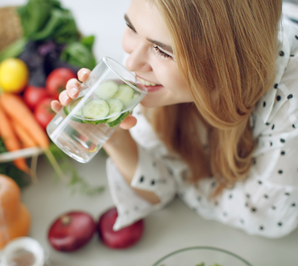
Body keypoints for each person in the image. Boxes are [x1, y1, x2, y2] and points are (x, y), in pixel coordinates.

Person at [51, 0, 298, 238]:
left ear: (225, 62)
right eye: (131, 28)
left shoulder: (290, 105)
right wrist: (114, 136)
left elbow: (266, 219)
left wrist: (181, 178)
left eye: (162, 51)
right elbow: (162, 187)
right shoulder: (154, 57)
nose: (131, 61)